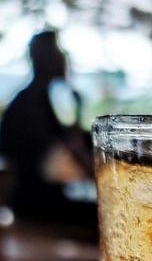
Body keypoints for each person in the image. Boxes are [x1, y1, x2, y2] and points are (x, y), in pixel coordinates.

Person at [0, 30, 96, 231]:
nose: (64, 57)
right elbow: (72, 146)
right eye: (58, 51)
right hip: (38, 206)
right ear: (44, 58)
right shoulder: (40, 102)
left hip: (36, 201)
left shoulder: (33, 100)